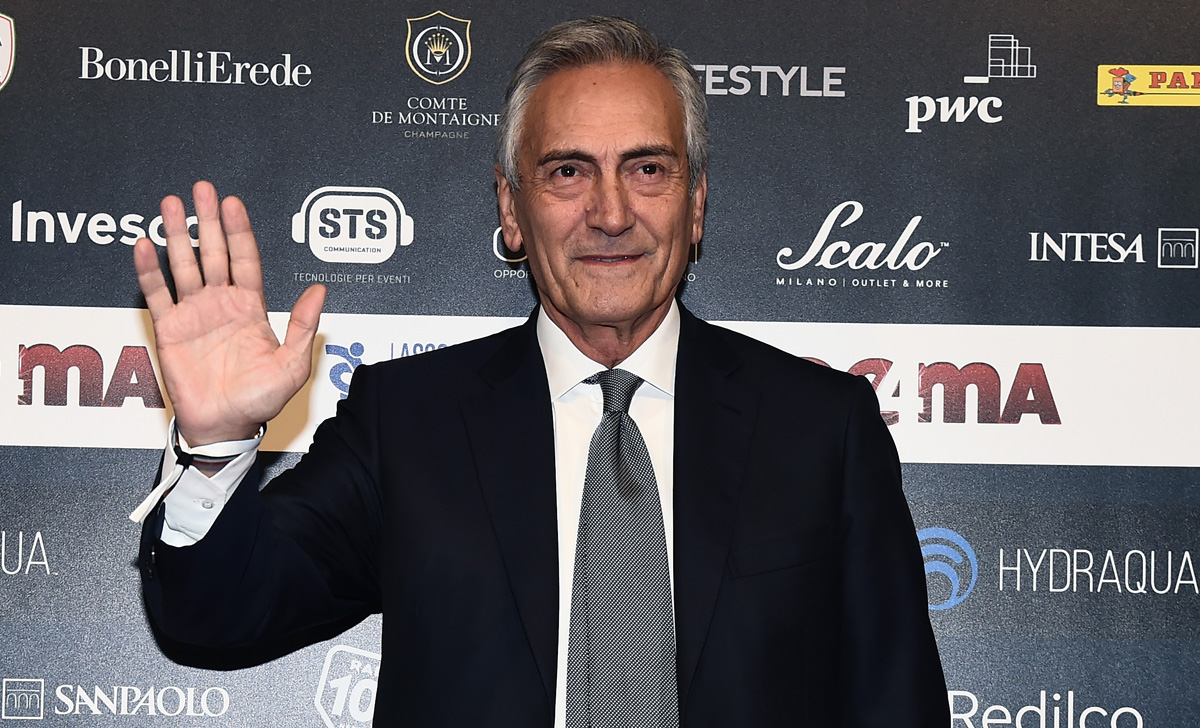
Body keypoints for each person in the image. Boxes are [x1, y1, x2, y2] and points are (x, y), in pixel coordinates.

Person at [132, 16, 949, 728]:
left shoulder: (821, 428)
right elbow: (217, 615)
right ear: (511, 209)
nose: (611, 213)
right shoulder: (409, 423)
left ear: (696, 203)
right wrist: (216, 444)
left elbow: (897, 703)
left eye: (648, 168)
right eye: (567, 171)